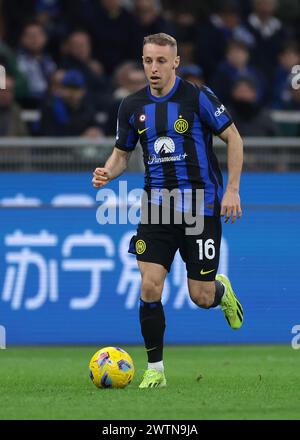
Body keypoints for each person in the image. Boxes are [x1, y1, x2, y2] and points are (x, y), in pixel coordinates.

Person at [92, 33, 244, 388]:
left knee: (200, 296)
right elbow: (121, 154)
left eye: (161, 61)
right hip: (157, 210)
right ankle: (155, 371)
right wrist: (107, 172)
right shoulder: (131, 106)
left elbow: (233, 137)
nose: (154, 68)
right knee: (149, 286)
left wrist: (233, 190)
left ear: (175, 62)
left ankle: (221, 293)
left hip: (200, 210)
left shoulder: (197, 97)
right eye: (148, 61)